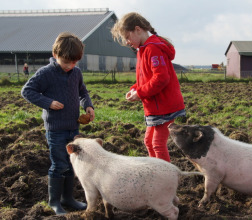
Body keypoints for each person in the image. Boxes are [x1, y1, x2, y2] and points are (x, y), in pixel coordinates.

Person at [21, 32, 95, 215]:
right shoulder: (46, 73)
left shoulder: (76, 73)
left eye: (75, 62)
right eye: (66, 62)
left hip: (73, 126)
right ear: (55, 55)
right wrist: (48, 103)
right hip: (55, 129)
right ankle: (54, 202)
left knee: (71, 163)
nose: (71, 66)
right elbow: (27, 90)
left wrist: (88, 106)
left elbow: (83, 93)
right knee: (59, 164)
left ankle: (67, 198)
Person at [111, 12, 185, 162]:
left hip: (164, 107)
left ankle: (165, 178)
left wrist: (140, 93)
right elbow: (146, 78)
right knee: (148, 142)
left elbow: (161, 78)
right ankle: (157, 172)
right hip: (155, 107)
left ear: (138, 30)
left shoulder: (153, 49)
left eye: (127, 37)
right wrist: (134, 89)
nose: (127, 42)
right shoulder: (143, 50)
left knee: (157, 144)